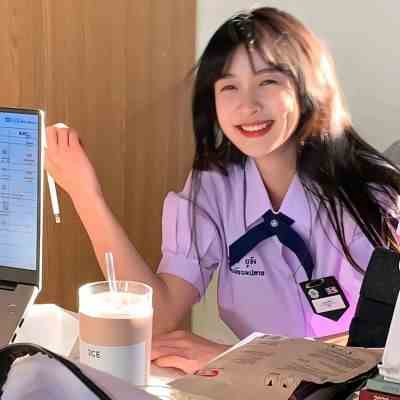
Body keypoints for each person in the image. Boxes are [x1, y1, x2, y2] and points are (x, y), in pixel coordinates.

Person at [46, 7, 400, 374]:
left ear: (306, 87)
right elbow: (161, 316)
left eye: (268, 81)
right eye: (229, 87)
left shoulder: (373, 196)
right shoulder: (215, 186)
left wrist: (235, 359)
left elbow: (380, 349)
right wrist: (84, 193)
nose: (247, 105)